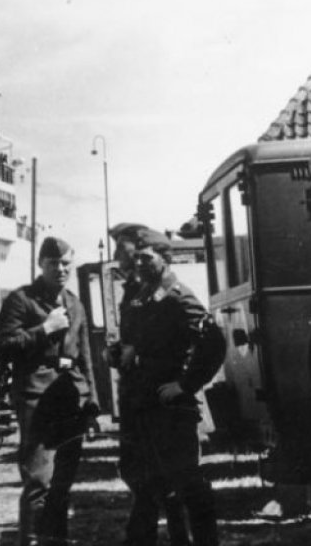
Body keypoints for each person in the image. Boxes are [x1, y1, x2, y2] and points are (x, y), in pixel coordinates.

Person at [114, 228, 226, 546]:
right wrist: (123, 351)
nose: (139, 262)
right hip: (142, 407)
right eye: (136, 256)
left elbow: (213, 341)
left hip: (170, 410)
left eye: (146, 257)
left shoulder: (179, 296)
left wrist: (186, 385)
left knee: (189, 485)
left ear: (165, 258)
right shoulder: (142, 296)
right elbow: (142, 343)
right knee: (152, 486)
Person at [0, 236, 99, 546]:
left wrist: (92, 403)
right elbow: (4, 348)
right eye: (53, 263)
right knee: (39, 480)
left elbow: (85, 357)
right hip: (37, 399)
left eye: (66, 263)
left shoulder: (75, 302)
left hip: (70, 398)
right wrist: (44, 330)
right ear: (40, 264)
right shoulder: (21, 300)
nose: (61, 268)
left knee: (63, 483)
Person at [107, 223, 191, 546]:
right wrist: (117, 351)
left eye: (123, 249)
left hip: (153, 394)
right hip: (135, 394)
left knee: (158, 474)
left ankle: (151, 537)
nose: (119, 256)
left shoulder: (163, 292)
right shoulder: (136, 290)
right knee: (138, 470)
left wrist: (137, 353)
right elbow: (137, 337)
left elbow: (176, 341)